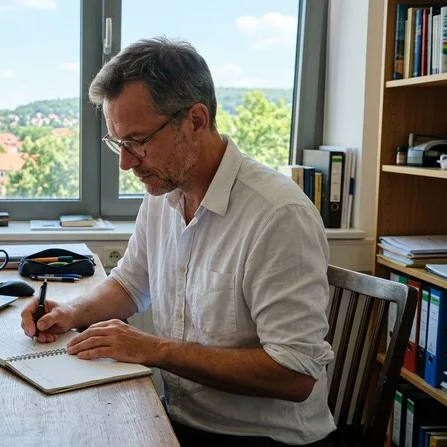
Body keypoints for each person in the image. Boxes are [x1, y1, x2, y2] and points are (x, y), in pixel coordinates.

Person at [20, 37, 335, 447]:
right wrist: (71, 312)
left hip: (264, 437)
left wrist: (153, 349)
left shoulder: (277, 216)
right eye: (118, 142)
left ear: (196, 121)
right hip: (178, 420)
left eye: (138, 142)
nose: (126, 162)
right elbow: (131, 284)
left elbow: (294, 375)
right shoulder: (163, 193)